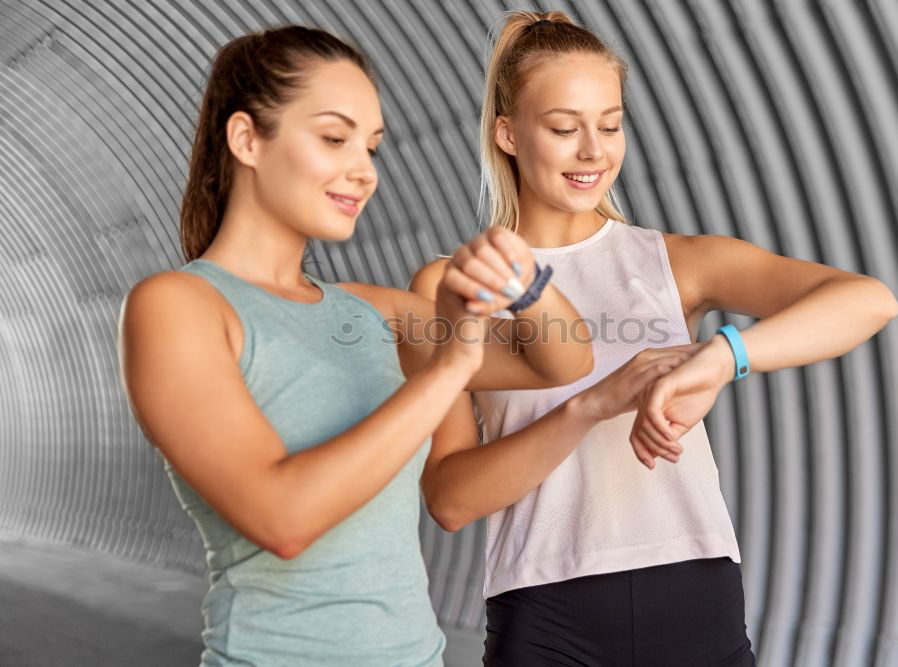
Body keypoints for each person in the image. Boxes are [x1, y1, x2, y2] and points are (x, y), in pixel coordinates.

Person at [410, 10, 898, 665]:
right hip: (545, 613)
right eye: (564, 127)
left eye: (610, 124)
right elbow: (449, 498)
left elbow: (869, 300)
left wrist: (722, 357)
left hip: (696, 592)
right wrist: (590, 406)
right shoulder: (455, 281)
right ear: (507, 133)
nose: (594, 150)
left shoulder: (676, 261)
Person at [117, 25, 594, 666]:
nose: (364, 172)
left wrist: (521, 278)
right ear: (246, 139)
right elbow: (283, 519)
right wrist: (450, 363)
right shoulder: (178, 308)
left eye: (371, 147)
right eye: (335, 138)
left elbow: (562, 363)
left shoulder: (368, 312)